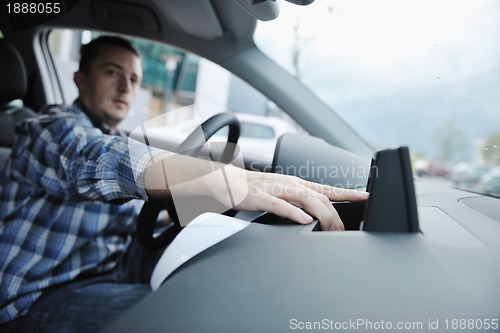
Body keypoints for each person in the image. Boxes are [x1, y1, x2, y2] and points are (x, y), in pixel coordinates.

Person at [0, 35, 368, 332]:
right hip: (40, 295)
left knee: (228, 274)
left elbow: (129, 216)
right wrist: (219, 180)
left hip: (110, 264)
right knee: (198, 315)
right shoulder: (49, 128)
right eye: (112, 72)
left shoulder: (115, 135)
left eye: (134, 79)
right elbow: (93, 158)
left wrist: (206, 209)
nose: (126, 87)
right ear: (80, 79)